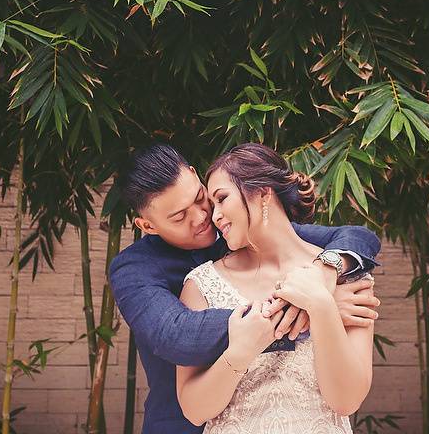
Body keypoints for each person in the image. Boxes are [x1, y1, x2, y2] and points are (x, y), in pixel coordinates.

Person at [110, 143, 382, 434]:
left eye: (202, 198)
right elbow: (175, 336)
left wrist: (326, 273)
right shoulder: (135, 268)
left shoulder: (240, 232)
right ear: (148, 226)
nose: (203, 216)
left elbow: (355, 236)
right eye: (179, 217)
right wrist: (306, 308)